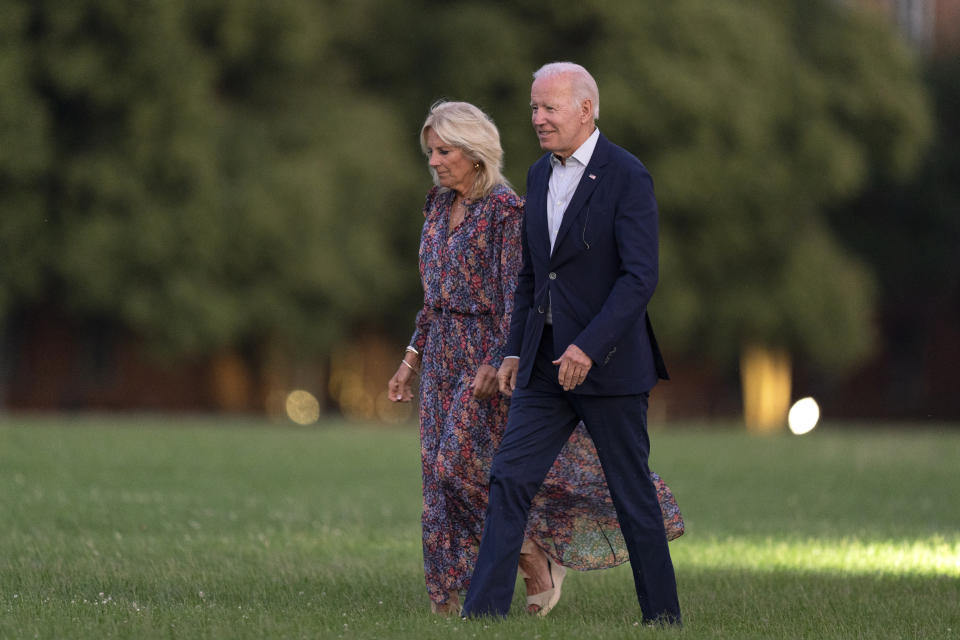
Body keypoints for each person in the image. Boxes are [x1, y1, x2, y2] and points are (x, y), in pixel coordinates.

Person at [388, 101, 683, 617]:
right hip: (539, 365)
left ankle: (663, 617)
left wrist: (587, 346)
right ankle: (483, 614)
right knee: (506, 478)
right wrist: (514, 351)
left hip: (608, 365)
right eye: (533, 109)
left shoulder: (627, 174)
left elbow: (639, 278)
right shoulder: (539, 176)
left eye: (549, 108)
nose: (538, 118)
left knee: (630, 492)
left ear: (586, 109)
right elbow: (530, 280)